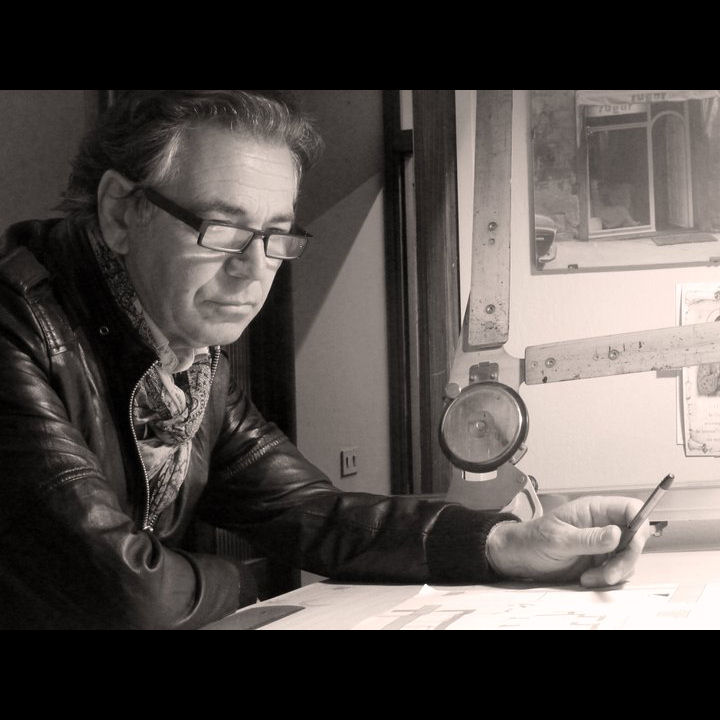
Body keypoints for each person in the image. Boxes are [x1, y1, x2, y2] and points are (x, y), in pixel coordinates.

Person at [0, 90, 650, 630]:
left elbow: (312, 513)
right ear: (121, 213)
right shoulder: (17, 332)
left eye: (276, 236)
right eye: (223, 230)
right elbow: (125, 595)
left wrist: (506, 542)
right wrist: (244, 581)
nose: (254, 270)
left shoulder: (192, 365)